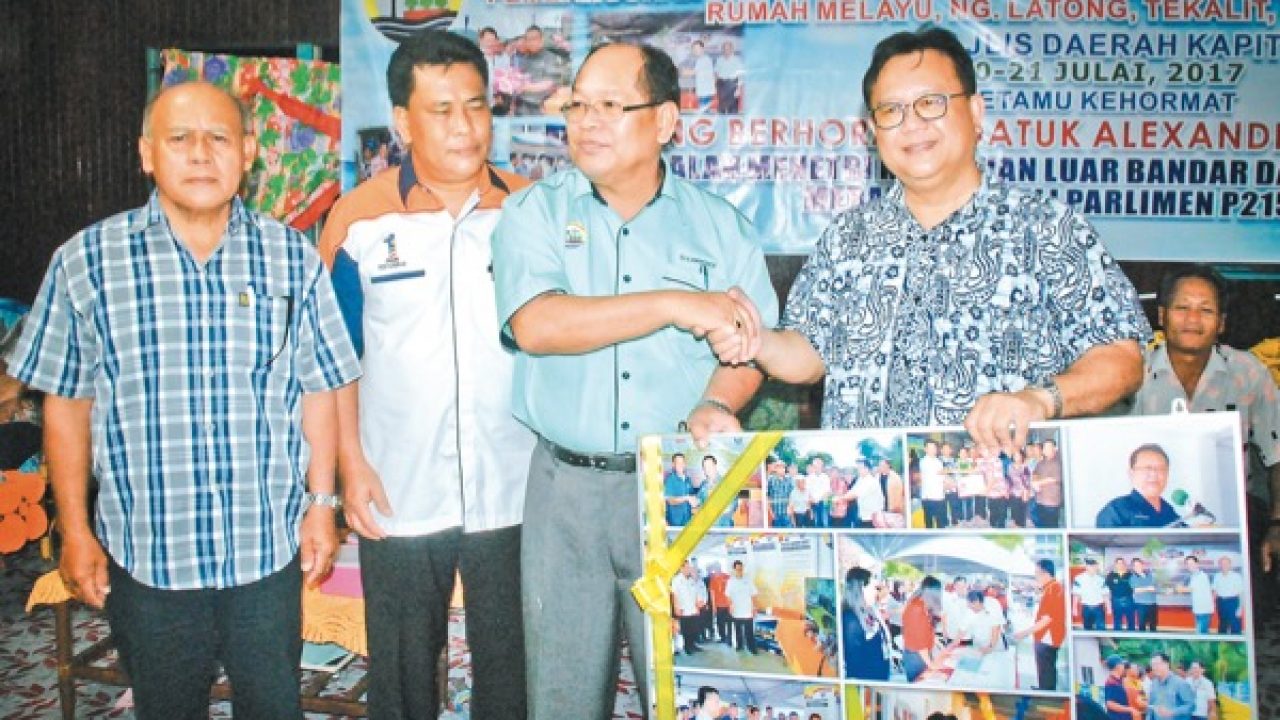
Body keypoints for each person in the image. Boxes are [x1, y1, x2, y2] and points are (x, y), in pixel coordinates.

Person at [6, 81, 361, 718]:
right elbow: (67, 407)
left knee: (274, 706)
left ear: (247, 152)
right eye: (180, 138)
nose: (201, 153)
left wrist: (322, 504)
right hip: (149, 555)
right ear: (147, 154)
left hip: (265, 548)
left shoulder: (291, 257)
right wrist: (75, 530)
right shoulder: (86, 262)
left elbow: (318, 389)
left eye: (219, 137)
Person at [491, 41, 778, 719]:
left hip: (679, 489)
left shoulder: (720, 228)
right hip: (566, 491)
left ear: (665, 121)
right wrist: (674, 303)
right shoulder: (533, 213)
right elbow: (537, 325)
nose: (587, 121)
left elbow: (750, 352)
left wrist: (716, 399)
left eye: (610, 106)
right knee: (560, 698)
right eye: (577, 106)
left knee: (689, 691)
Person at [715, 25, 1148, 455]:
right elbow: (809, 355)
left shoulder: (1046, 227)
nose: (911, 125)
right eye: (891, 110)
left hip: (1000, 492)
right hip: (869, 490)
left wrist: (1040, 399)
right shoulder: (848, 237)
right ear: (872, 130)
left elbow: (1121, 359)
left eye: (930, 103)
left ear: (975, 112)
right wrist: (758, 341)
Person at [317, 31, 534, 719]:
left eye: (475, 105)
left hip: (516, 482)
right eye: (441, 110)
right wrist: (350, 465)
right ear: (403, 121)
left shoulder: (529, 209)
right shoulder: (358, 218)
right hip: (398, 484)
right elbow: (333, 359)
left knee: (514, 664)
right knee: (403, 667)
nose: (464, 126)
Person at [1119, 266, 1280, 575]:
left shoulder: (1249, 373)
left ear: (1221, 323)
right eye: (1182, 308)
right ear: (1162, 315)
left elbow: (1277, 454)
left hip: (1236, 511)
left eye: (1205, 310)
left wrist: (1277, 523)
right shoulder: (1133, 373)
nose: (1192, 319)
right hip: (1153, 511)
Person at [1096, 444, 1183, 528]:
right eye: (1147, 468)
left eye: (1161, 469)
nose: (1154, 474)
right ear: (1131, 473)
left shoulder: (1169, 512)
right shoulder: (1116, 511)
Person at [1013, 559, 1066, 692]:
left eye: (1037, 573)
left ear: (1045, 573)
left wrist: (1024, 633)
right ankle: (1043, 687)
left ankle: (1046, 692)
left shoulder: (1053, 589)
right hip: (1048, 636)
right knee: (1045, 667)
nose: (1036, 576)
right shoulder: (1052, 588)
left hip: (1048, 637)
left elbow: (1047, 619)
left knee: (1046, 666)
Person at [842, 567, 891, 680]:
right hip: (866, 680)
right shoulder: (851, 618)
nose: (877, 591)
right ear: (861, 588)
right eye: (874, 588)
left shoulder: (869, 611)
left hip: (877, 676)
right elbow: (854, 659)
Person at [514, 26, 570, 115]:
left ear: (541, 40)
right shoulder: (525, 58)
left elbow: (550, 83)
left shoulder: (550, 58)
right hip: (523, 106)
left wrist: (526, 87)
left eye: (534, 39)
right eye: (528, 39)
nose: (531, 42)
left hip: (541, 107)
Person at [901, 575, 945, 682]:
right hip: (916, 657)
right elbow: (919, 643)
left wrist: (937, 643)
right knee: (919, 687)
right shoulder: (916, 609)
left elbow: (925, 630)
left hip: (922, 654)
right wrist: (931, 665)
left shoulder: (922, 604)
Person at [1147, 652, 1195, 720]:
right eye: (1152, 665)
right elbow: (1151, 706)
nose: (1154, 667)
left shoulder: (1180, 683)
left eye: (1157, 664)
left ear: (1166, 664)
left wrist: (1172, 712)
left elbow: (1191, 706)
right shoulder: (1154, 684)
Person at [673, 560, 707, 655]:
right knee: (686, 629)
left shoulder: (691, 580)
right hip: (683, 608)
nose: (689, 569)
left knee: (694, 628)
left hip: (693, 608)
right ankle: (687, 647)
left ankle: (693, 645)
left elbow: (696, 594)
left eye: (689, 567)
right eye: (687, 567)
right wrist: (676, 607)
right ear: (681, 568)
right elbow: (675, 595)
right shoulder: (676, 580)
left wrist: (698, 606)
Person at [725, 560, 759, 653]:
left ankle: (751, 647)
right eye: (737, 569)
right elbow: (728, 595)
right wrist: (730, 606)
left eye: (741, 569)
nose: (739, 571)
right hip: (736, 610)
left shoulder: (748, 580)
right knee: (738, 630)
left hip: (748, 609)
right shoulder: (730, 582)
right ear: (734, 570)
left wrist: (754, 607)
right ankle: (739, 645)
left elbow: (754, 594)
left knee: (749, 631)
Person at [1030, 439, 1063, 528]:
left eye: (1048, 447)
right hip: (1039, 500)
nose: (1045, 449)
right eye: (1044, 447)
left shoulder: (1057, 462)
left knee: (1051, 527)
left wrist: (1038, 483)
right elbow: (1035, 473)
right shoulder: (1041, 463)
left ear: (1055, 448)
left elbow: (1054, 478)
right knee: (1040, 526)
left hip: (1051, 503)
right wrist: (1034, 481)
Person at [1180, 555, 1215, 633]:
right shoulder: (1193, 576)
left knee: (1201, 634)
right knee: (1202, 633)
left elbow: (1189, 589)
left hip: (1204, 610)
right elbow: (1187, 589)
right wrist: (1180, 588)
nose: (1190, 566)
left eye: (1191, 563)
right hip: (1198, 609)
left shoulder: (1202, 576)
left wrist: (1177, 589)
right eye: (1188, 564)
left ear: (1197, 564)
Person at [918, 440, 948, 528]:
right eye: (930, 448)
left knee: (941, 523)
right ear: (925, 449)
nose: (933, 450)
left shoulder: (938, 462)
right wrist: (946, 472)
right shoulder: (923, 462)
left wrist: (946, 482)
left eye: (934, 448)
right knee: (929, 524)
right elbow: (936, 473)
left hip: (939, 496)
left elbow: (943, 477)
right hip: (928, 497)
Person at [1212, 555, 1244, 634]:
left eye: (1226, 563)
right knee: (1222, 624)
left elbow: (1241, 593)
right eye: (1222, 564)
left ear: (1230, 565)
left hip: (1233, 602)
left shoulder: (1236, 576)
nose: (1224, 565)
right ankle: (1222, 640)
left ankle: (1236, 641)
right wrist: (1213, 604)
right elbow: (1215, 592)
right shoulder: (1217, 576)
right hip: (1221, 602)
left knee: (1235, 625)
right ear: (1219, 565)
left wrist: (1240, 608)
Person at [1073, 558, 1108, 630]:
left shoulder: (1101, 579)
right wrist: (1074, 608)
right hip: (1086, 607)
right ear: (1086, 567)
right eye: (1090, 566)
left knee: (1101, 629)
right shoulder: (1079, 578)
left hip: (1098, 607)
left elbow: (1105, 593)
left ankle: (1101, 637)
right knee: (1087, 629)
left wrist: (1108, 606)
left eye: (1094, 566)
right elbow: (1076, 594)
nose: (1093, 568)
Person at [665, 453, 698, 526]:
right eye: (678, 463)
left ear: (685, 464)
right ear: (673, 465)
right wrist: (686, 498)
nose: (680, 465)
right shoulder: (670, 480)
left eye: (682, 462)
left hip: (688, 523)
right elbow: (671, 501)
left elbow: (692, 498)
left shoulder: (688, 480)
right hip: (675, 524)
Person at [1103, 655, 1141, 720]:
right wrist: (1129, 709)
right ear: (1117, 666)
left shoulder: (1119, 681)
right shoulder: (1111, 682)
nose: (1123, 667)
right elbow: (1110, 704)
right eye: (1122, 664)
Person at [1105, 557, 1137, 631]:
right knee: (1117, 621)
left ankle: (1131, 636)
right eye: (1118, 563)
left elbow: (1135, 588)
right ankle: (1117, 636)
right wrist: (1109, 602)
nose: (1120, 565)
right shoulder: (1111, 575)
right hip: (1115, 600)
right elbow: (1107, 589)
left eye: (1122, 563)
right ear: (1115, 564)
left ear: (1124, 564)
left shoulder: (1130, 575)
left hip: (1129, 600)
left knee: (1131, 620)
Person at [1129, 557, 1159, 632]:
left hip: (1153, 603)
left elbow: (1156, 587)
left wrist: (1150, 588)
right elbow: (1136, 590)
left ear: (1142, 565)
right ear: (1133, 567)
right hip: (1141, 604)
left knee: (1153, 625)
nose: (1138, 567)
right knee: (1142, 625)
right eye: (1135, 566)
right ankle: (1142, 638)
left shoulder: (1150, 575)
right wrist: (1149, 588)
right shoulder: (1132, 577)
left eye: (1139, 565)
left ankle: (1153, 638)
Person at [766, 456, 792, 528]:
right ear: (776, 469)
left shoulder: (789, 480)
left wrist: (790, 508)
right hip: (775, 513)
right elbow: (767, 496)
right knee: (777, 534)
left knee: (787, 533)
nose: (782, 469)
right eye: (779, 467)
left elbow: (792, 496)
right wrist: (771, 512)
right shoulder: (770, 480)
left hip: (786, 514)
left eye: (783, 467)